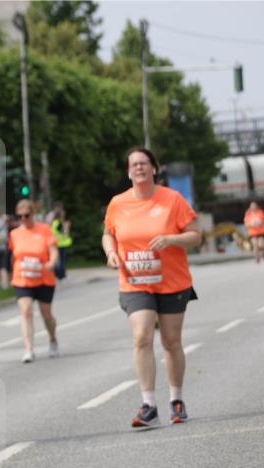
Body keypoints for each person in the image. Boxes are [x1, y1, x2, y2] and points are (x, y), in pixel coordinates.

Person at [102, 146, 202, 428]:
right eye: (133, 164)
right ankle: (148, 405)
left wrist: (171, 240)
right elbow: (108, 234)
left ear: (154, 168)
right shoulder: (118, 203)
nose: (139, 168)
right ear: (128, 172)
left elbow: (195, 235)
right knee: (142, 336)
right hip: (135, 282)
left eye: (144, 163)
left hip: (171, 281)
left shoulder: (173, 199)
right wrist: (111, 252)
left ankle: (176, 399)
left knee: (171, 342)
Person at [9, 199, 59, 363]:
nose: (23, 219)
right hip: (22, 278)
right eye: (20, 216)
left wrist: (51, 262)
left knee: (46, 314)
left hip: (43, 277)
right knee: (26, 311)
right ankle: (29, 349)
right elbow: (13, 255)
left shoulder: (44, 230)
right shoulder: (15, 233)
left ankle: (52, 338)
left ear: (33, 214)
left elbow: (53, 250)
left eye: (27, 215)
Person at [49, 201, 73, 280]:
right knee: (60, 260)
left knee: (59, 259)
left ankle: (60, 274)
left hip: (59, 243)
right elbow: (65, 232)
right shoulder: (58, 222)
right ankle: (61, 274)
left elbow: (64, 231)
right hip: (59, 243)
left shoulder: (55, 222)